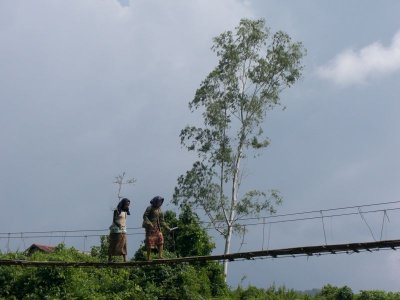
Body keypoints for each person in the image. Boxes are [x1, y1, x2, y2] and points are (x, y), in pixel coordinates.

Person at [142, 196, 170, 260]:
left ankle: (160, 256)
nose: (160, 203)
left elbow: (162, 221)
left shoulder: (160, 210)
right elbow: (145, 216)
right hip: (150, 228)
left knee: (161, 240)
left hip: (157, 228)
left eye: (161, 202)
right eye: (159, 202)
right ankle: (148, 257)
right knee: (149, 242)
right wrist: (149, 223)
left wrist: (167, 228)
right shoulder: (150, 208)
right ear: (155, 201)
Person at [108, 198, 130, 262]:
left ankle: (125, 259)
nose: (127, 206)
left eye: (128, 205)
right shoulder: (116, 211)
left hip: (123, 229)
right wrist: (119, 225)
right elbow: (114, 220)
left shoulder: (125, 212)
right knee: (113, 243)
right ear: (123, 204)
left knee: (124, 244)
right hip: (116, 230)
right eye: (126, 204)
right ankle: (109, 258)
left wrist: (122, 226)